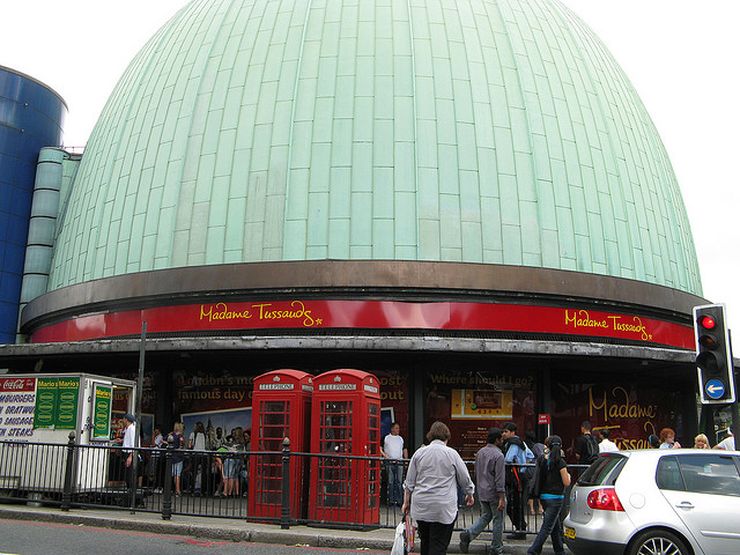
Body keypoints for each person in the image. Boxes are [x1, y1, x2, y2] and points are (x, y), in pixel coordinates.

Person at [402, 421, 474, 555]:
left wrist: (406, 502)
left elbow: (409, 482)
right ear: (446, 437)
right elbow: (465, 478)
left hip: (421, 505)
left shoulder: (419, 453)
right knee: (439, 545)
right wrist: (469, 494)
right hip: (443, 506)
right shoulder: (452, 454)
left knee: (425, 542)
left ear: (430, 436)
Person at [459, 427, 506, 555]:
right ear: (497, 440)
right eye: (501, 438)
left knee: (486, 515)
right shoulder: (499, 455)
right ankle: (496, 547)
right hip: (494, 492)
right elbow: (499, 478)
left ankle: (468, 534)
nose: (502, 440)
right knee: (498, 519)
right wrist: (502, 497)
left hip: (482, 490)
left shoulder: (480, 452)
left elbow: (476, 472)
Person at [527, 435, 571, 555]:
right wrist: (569, 477)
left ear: (548, 446)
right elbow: (566, 482)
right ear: (560, 446)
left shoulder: (542, 460)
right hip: (556, 498)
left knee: (554, 525)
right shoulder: (560, 462)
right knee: (547, 527)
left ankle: (559, 550)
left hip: (544, 497)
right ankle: (533, 550)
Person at [502, 422, 533, 540]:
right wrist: (524, 464)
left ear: (512, 432)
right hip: (521, 476)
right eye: (503, 432)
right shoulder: (521, 442)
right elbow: (530, 455)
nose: (503, 434)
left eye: (506, 432)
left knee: (513, 505)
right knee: (517, 504)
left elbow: (508, 459)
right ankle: (521, 528)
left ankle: (520, 528)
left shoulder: (513, 443)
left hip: (515, 478)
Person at [381, 422, 408, 506]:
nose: (398, 430)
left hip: (399, 461)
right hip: (389, 462)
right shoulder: (386, 438)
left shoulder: (401, 438)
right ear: (392, 429)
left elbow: (404, 449)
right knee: (391, 481)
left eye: (398, 428)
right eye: (396, 428)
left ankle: (400, 501)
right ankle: (391, 500)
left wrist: (405, 460)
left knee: (400, 482)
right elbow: (380, 448)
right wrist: (385, 456)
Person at [188, 421, 207, 494]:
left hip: (195, 454)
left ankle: (192, 490)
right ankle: (203, 490)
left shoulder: (193, 434)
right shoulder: (205, 435)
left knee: (194, 472)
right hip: (204, 454)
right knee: (203, 473)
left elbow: (190, 445)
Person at [121, 413, 137, 490]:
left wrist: (130, 456)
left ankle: (131, 491)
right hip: (126, 452)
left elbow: (134, 443)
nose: (123, 421)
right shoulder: (128, 429)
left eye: (123, 419)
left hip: (129, 453)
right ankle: (129, 490)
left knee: (129, 475)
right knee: (127, 474)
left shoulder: (132, 429)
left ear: (126, 420)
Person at [170, 422, 185, 496]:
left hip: (172, 457)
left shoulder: (172, 435)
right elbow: (182, 444)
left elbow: (166, 439)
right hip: (178, 457)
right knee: (177, 474)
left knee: (173, 474)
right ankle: (178, 490)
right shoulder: (180, 436)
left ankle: (174, 489)